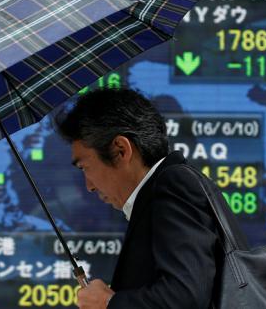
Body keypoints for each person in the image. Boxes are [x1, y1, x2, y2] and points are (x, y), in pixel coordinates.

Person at [55, 88, 249, 309]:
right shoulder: (162, 191)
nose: (88, 186)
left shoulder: (173, 185)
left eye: (85, 167)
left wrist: (109, 302)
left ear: (121, 150)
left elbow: (185, 298)